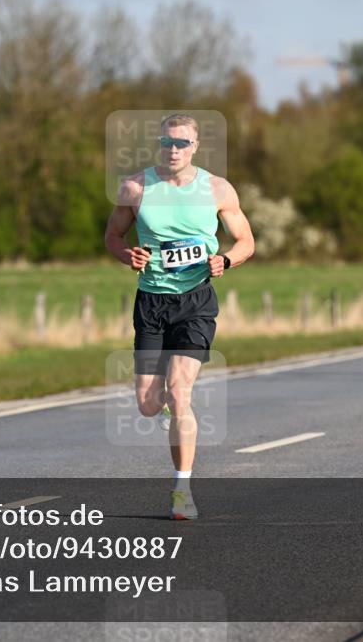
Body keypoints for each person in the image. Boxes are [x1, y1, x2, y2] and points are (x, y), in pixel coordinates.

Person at [105, 114, 254, 520]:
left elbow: (246, 241)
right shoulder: (135, 188)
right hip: (151, 302)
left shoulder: (217, 189)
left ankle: (181, 489)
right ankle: (166, 406)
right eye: (167, 142)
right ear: (159, 143)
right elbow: (113, 236)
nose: (173, 150)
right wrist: (127, 255)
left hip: (195, 302)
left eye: (181, 144)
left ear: (195, 147)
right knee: (148, 405)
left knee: (179, 390)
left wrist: (225, 260)